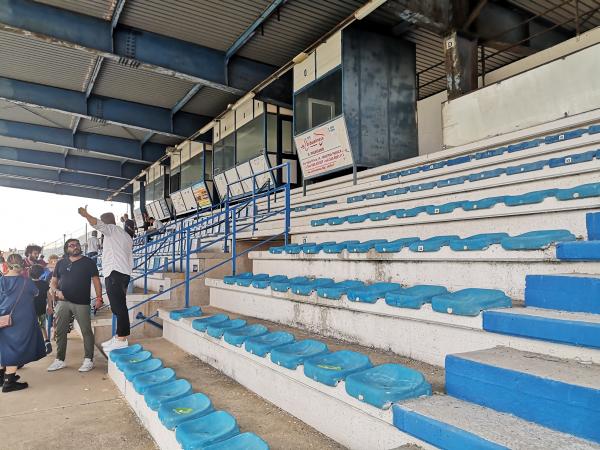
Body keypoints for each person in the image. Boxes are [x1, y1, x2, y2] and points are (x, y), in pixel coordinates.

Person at [78, 207, 133, 352]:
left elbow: (96, 223)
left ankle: (121, 338)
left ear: (107, 222)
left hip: (114, 272)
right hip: (124, 273)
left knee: (119, 307)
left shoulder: (110, 229)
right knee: (118, 306)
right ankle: (119, 336)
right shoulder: (126, 235)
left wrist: (86, 215)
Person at [46, 239, 102, 372]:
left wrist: (99, 298)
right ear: (66, 248)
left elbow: (96, 281)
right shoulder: (60, 263)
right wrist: (57, 291)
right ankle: (60, 359)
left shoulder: (88, 262)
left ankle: (89, 359)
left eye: (77, 244)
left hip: (82, 302)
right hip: (63, 302)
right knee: (60, 331)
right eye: (71, 245)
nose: (75, 247)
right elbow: (53, 283)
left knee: (86, 331)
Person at [0, 254, 46, 393]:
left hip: (2, 319)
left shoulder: (1, 280)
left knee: (3, 347)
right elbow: (36, 293)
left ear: (6, 265)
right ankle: (9, 382)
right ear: (22, 266)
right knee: (16, 348)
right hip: (20, 321)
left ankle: (1, 377)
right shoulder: (26, 282)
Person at [29, 265, 52, 354]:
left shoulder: (28, 284)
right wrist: (49, 306)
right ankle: (47, 342)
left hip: (30, 310)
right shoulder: (44, 283)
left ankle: (34, 346)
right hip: (42, 308)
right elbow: (48, 296)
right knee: (42, 326)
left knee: (31, 327)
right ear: (41, 274)